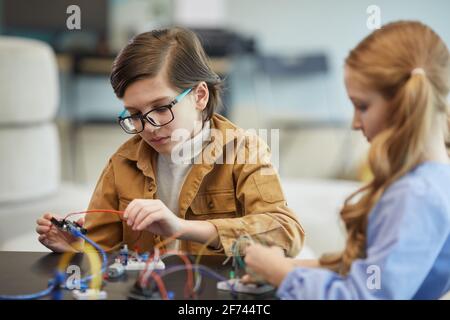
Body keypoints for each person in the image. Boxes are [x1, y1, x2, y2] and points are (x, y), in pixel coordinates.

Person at [35, 27, 304, 257]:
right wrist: (78, 249)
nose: (149, 127)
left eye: (162, 108)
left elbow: (284, 231)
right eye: (135, 115)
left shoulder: (244, 151)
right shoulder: (122, 163)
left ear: (200, 96)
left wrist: (182, 228)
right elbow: (104, 252)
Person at [244, 21, 450, 299]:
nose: (354, 123)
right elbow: (371, 271)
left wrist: (282, 272)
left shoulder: (416, 195)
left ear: (406, 104)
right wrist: (293, 266)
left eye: (362, 106)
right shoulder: (435, 181)